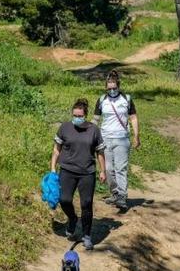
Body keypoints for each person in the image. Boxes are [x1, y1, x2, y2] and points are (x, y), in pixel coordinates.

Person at [50, 98, 106, 250]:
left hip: (87, 172)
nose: (77, 118)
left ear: (85, 116)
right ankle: (73, 219)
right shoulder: (65, 128)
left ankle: (86, 235)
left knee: (86, 204)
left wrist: (102, 171)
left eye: (80, 116)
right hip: (67, 170)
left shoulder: (94, 130)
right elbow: (56, 149)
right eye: (74, 115)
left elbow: (100, 151)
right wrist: (53, 168)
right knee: (64, 199)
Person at [93, 70, 140, 211]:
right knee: (107, 169)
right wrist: (89, 135)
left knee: (120, 168)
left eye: (114, 88)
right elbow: (95, 119)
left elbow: (133, 118)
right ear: (106, 88)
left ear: (118, 86)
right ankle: (115, 193)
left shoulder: (127, 99)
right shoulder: (102, 100)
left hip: (121, 139)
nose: (112, 90)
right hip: (105, 138)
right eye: (109, 88)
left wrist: (136, 135)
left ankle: (122, 196)